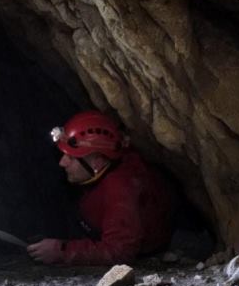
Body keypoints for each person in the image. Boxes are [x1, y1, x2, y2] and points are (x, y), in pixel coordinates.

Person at [27, 110, 174, 265]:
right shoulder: (101, 170)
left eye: (71, 157)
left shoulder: (121, 190)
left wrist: (61, 250)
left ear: (97, 162)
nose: (62, 163)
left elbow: (119, 252)